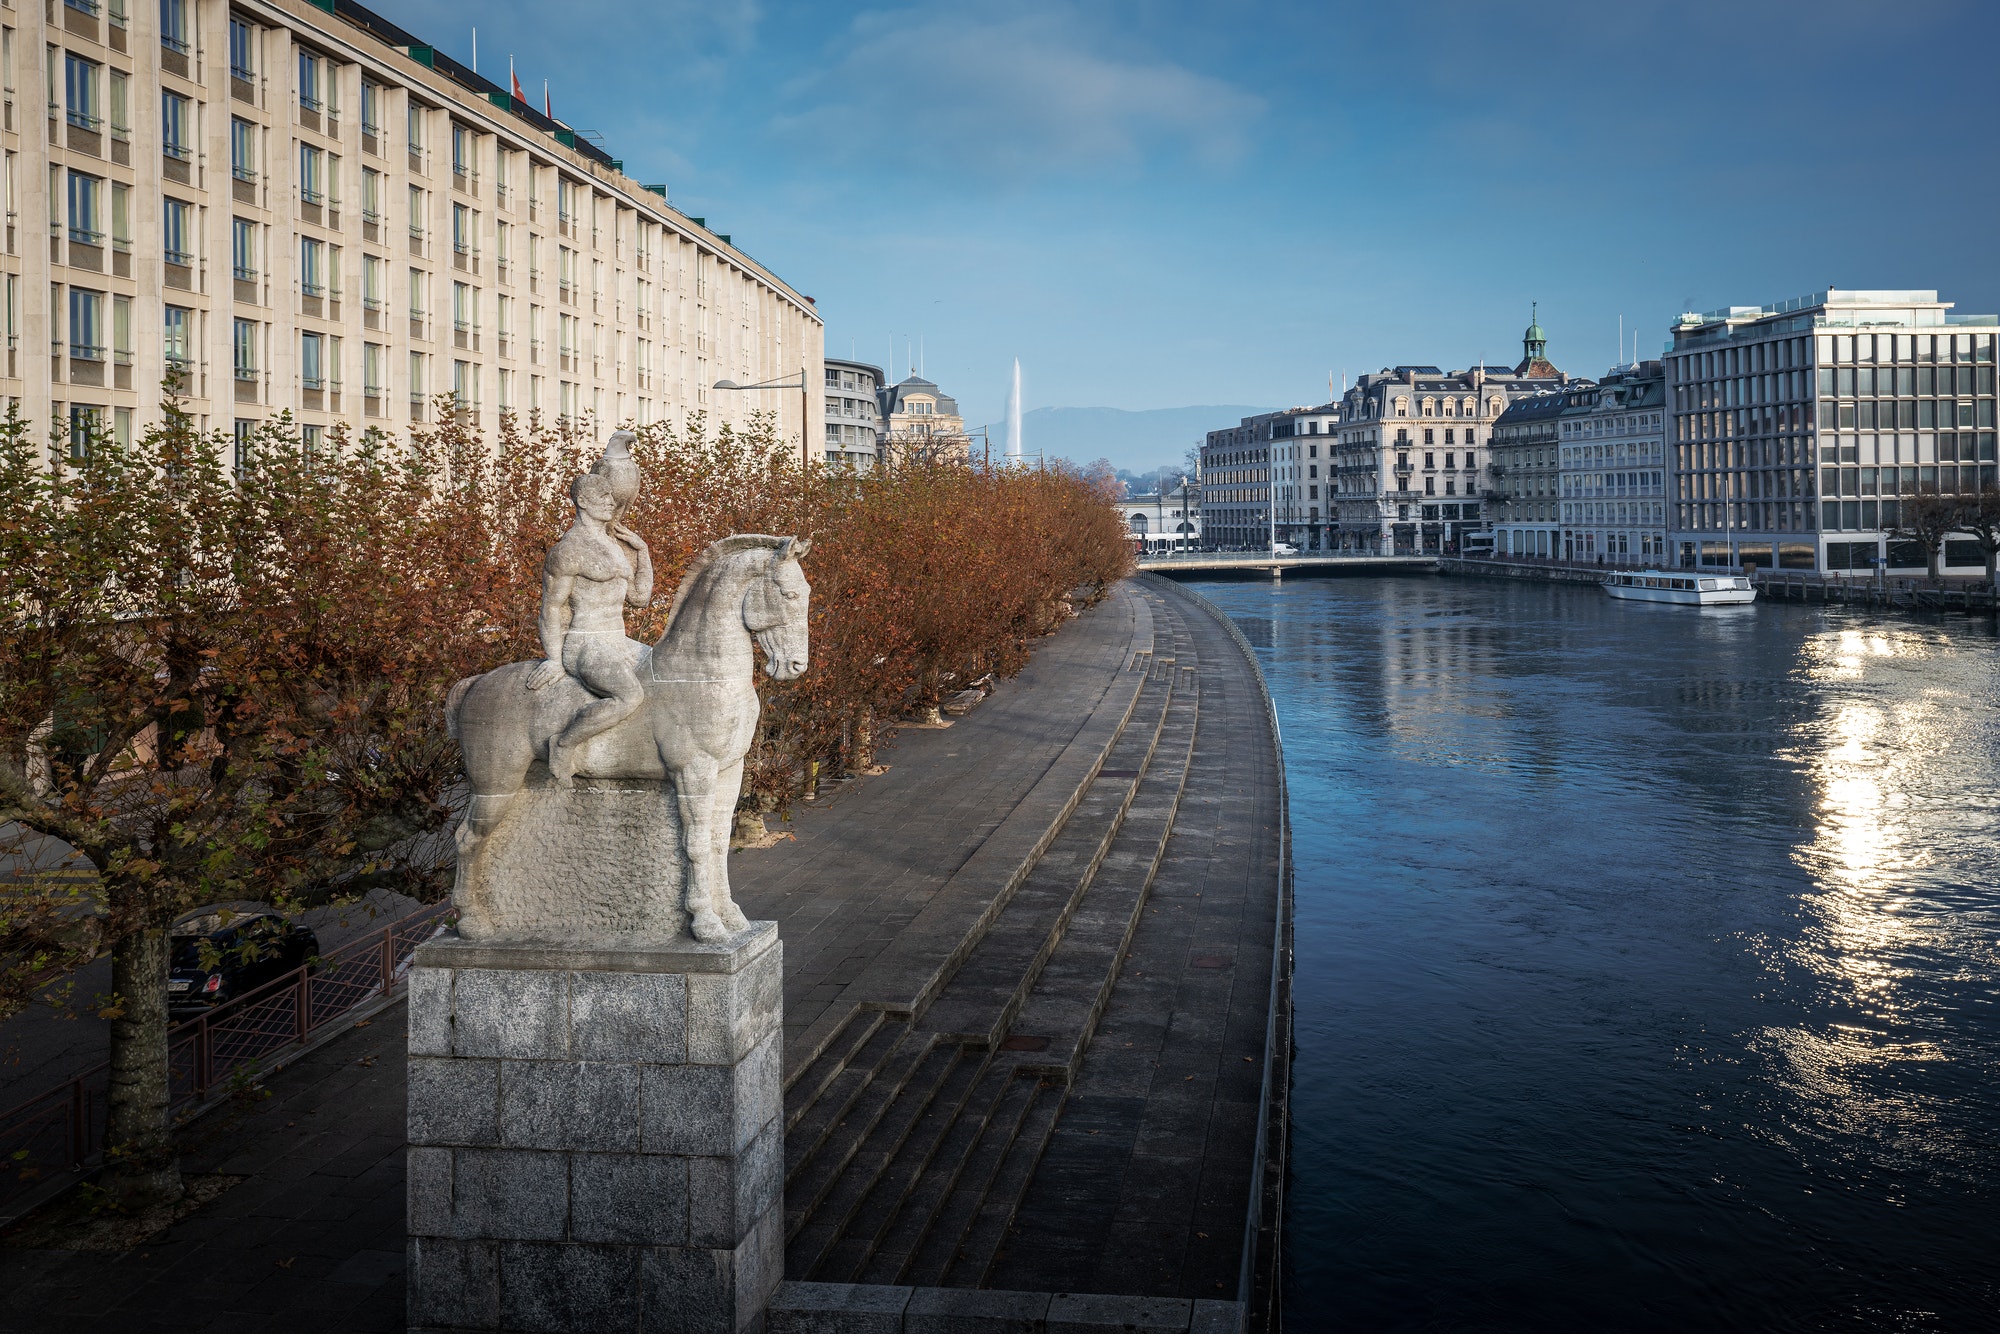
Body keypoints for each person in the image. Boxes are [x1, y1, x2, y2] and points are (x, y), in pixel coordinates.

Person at [528, 472, 654, 785]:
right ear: (583, 502)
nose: (611, 503)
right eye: (603, 498)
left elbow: (640, 598)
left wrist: (643, 553)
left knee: (666, 673)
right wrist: (554, 658)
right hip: (585, 644)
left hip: (619, 641)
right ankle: (564, 744)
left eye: (612, 497)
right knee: (629, 696)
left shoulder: (617, 547)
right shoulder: (568, 551)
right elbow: (552, 608)